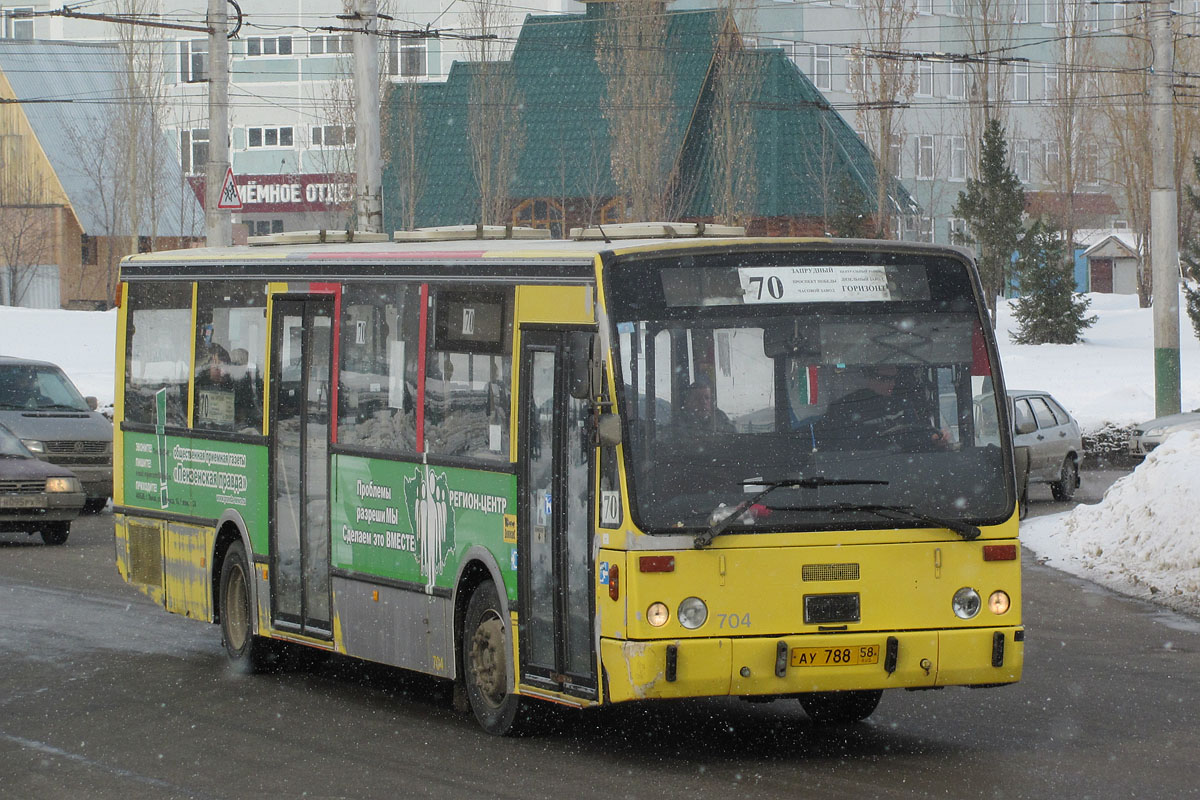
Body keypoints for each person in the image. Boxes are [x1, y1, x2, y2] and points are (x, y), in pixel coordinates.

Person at [817, 365, 947, 450]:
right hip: (857, 470)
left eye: (894, 378)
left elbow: (913, 434)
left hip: (897, 468)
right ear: (869, 377)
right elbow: (836, 446)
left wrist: (932, 439)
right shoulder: (844, 407)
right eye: (885, 379)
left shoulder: (902, 403)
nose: (892, 383)